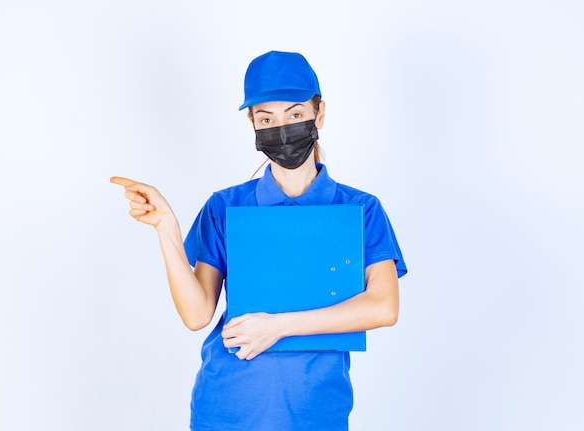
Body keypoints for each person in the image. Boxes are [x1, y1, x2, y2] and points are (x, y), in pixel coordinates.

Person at [111, 50, 407, 431]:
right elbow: (197, 313)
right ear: (252, 123)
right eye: (266, 118)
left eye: (295, 114)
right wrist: (166, 228)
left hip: (316, 410)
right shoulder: (226, 206)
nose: (281, 128)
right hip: (228, 406)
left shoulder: (360, 209)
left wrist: (278, 326)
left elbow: (383, 307)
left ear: (320, 113)